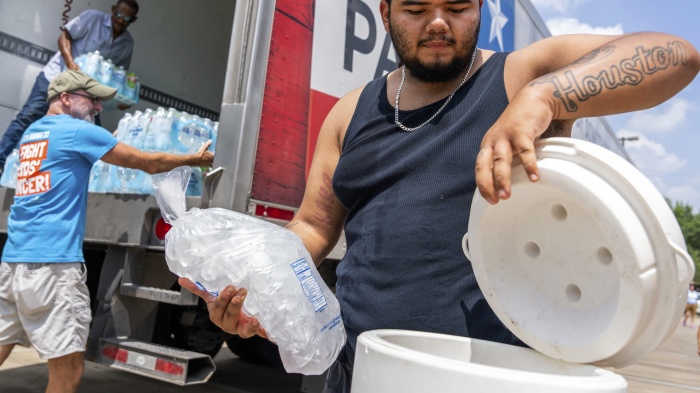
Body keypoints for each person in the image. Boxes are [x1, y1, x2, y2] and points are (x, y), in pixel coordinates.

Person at [179, 1, 700, 391]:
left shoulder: (518, 76)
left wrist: (545, 95)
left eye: (456, 6)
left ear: (479, 11)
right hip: (359, 371)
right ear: (385, 14)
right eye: (415, 8)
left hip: (484, 375)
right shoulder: (349, 112)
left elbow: (677, 56)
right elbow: (313, 228)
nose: (437, 22)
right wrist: (256, 286)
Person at [0, 69, 214, 393]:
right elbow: (149, 163)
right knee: (68, 368)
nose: (98, 108)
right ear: (66, 99)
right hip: (52, 268)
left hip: (13, 263)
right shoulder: (76, 131)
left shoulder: (33, 134)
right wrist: (195, 158)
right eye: (92, 100)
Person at [0, 0, 140, 170]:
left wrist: (120, 101)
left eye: (127, 18)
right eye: (119, 14)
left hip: (84, 95)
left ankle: (92, 179)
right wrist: (70, 63)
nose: (121, 20)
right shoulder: (92, 18)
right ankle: (1, 162)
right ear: (113, 10)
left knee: (94, 133)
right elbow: (64, 37)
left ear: (133, 20)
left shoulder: (128, 43)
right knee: (28, 117)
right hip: (55, 79)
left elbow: (118, 75)